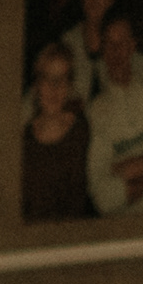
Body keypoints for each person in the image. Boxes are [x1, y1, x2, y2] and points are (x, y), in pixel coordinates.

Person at [83, 10, 143, 217]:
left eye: (122, 43)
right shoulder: (95, 113)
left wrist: (125, 168)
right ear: (102, 50)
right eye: (109, 43)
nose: (116, 51)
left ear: (132, 46)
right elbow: (102, 199)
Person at [17, 38, 91, 224]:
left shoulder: (82, 131)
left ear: (70, 86)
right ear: (36, 85)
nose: (54, 88)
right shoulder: (22, 140)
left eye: (61, 79)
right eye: (47, 78)